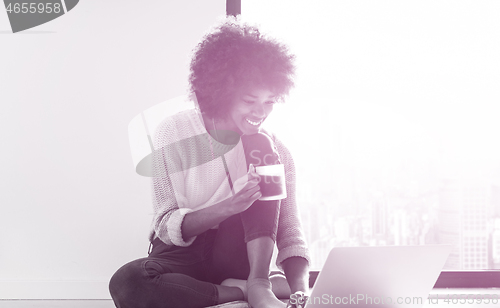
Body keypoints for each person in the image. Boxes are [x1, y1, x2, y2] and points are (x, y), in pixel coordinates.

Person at [109, 18, 310, 308]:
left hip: (241, 254)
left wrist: (300, 292)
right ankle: (242, 290)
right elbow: (166, 226)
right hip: (183, 253)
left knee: (263, 148)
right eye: (250, 100)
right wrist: (230, 205)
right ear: (222, 93)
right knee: (128, 282)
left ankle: (259, 283)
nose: (261, 112)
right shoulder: (175, 132)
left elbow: (290, 231)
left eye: (270, 101)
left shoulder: (275, 149)